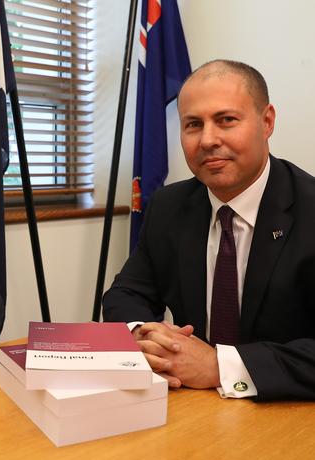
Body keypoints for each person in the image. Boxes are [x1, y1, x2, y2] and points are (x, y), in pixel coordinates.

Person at [103, 59, 315, 401]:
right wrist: (142, 335)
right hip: (192, 410)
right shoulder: (169, 206)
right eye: (192, 125)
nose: (208, 140)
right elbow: (127, 293)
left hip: (287, 417)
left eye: (226, 120)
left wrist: (219, 366)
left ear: (267, 122)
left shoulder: (308, 209)